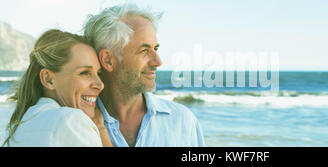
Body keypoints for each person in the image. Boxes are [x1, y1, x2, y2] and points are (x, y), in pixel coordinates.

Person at [83, 4, 205, 147]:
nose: (158, 62)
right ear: (108, 60)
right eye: (144, 50)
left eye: (155, 48)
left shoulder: (182, 121)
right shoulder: (77, 123)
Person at [2, 29, 112, 147]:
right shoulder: (71, 121)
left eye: (98, 73)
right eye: (85, 72)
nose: (100, 85)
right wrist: (101, 130)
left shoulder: (19, 126)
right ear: (48, 79)